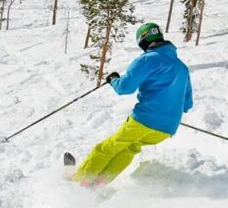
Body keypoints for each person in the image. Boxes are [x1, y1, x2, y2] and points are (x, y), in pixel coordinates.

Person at [71, 22, 193, 187]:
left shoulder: (147, 59)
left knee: (106, 148)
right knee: (129, 149)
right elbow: (187, 104)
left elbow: (125, 88)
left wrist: (113, 79)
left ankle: (79, 183)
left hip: (145, 119)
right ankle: (98, 183)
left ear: (142, 40)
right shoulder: (182, 67)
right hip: (167, 128)